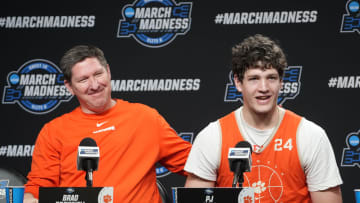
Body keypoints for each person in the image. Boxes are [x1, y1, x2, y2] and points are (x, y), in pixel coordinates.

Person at [184, 34, 343, 202]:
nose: (264, 88)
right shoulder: (212, 137)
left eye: (271, 78)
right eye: (254, 79)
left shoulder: (310, 136)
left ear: (281, 82)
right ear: (238, 82)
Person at [23, 45, 192, 203]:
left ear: (108, 71)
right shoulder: (54, 131)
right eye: (83, 80)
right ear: (69, 87)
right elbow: (38, 188)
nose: (95, 85)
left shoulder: (145, 118)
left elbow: (196, 164)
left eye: (98, 74)